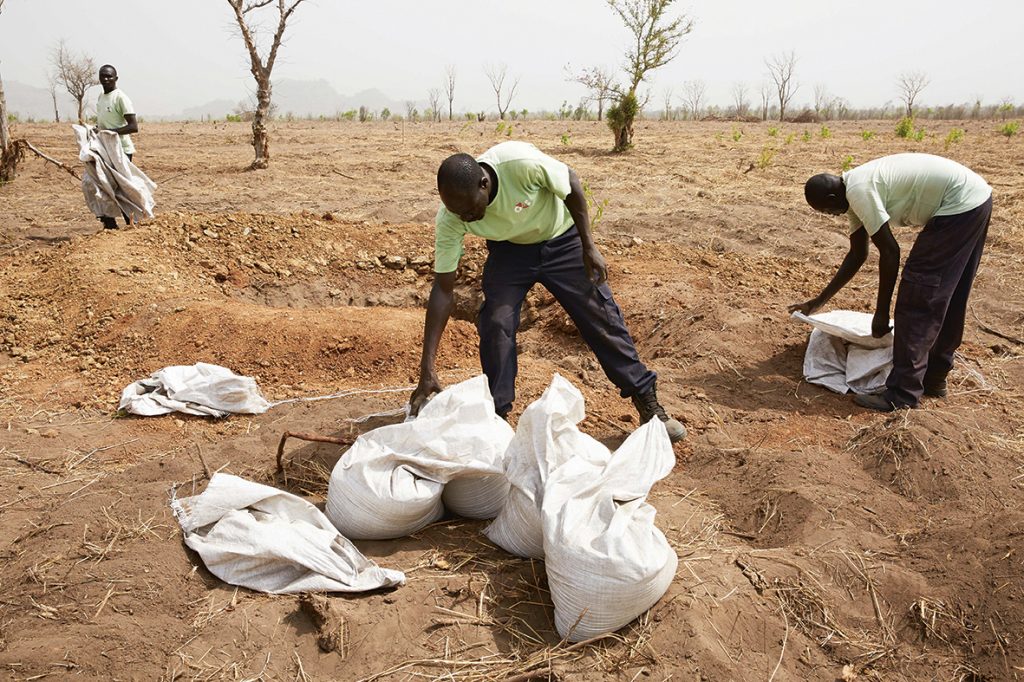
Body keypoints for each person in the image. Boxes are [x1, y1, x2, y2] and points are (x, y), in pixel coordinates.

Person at [410, 141, 686, 441]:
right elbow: (443, 289)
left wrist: (588, 246)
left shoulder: (520, 163)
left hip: (561, 239)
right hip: (509, 252)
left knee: (600, 315)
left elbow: (572, 185)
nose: (465, 218)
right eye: (458, 214)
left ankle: (648, 404)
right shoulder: (452, 215)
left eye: (470, 210)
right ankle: (498, 420)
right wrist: (427, 368)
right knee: (496, 323)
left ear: (484, 183)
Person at [791, 152, 992, 412]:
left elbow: (890, 252)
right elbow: (857, 255)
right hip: (975, 200)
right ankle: (934, 377)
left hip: (959, 205)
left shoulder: (859, 190)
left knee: (920, 292)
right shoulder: (853, 191)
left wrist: (881, 313)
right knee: (948, 292)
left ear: (832, 199)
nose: (832, 216)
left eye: (828, 212)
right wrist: (817, 302)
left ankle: (902, 393)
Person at [94, 64, 138, 229]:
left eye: (109, 76)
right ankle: (109, 224)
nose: (106, 79)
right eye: (103, 76)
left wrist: (110, 133)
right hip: (105, 148)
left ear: (116, 78)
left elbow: (133, 126)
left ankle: (132, 223)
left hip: (121, 151)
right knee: (102, 185)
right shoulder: (101, 97)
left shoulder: (121, 98)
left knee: (123, 188)